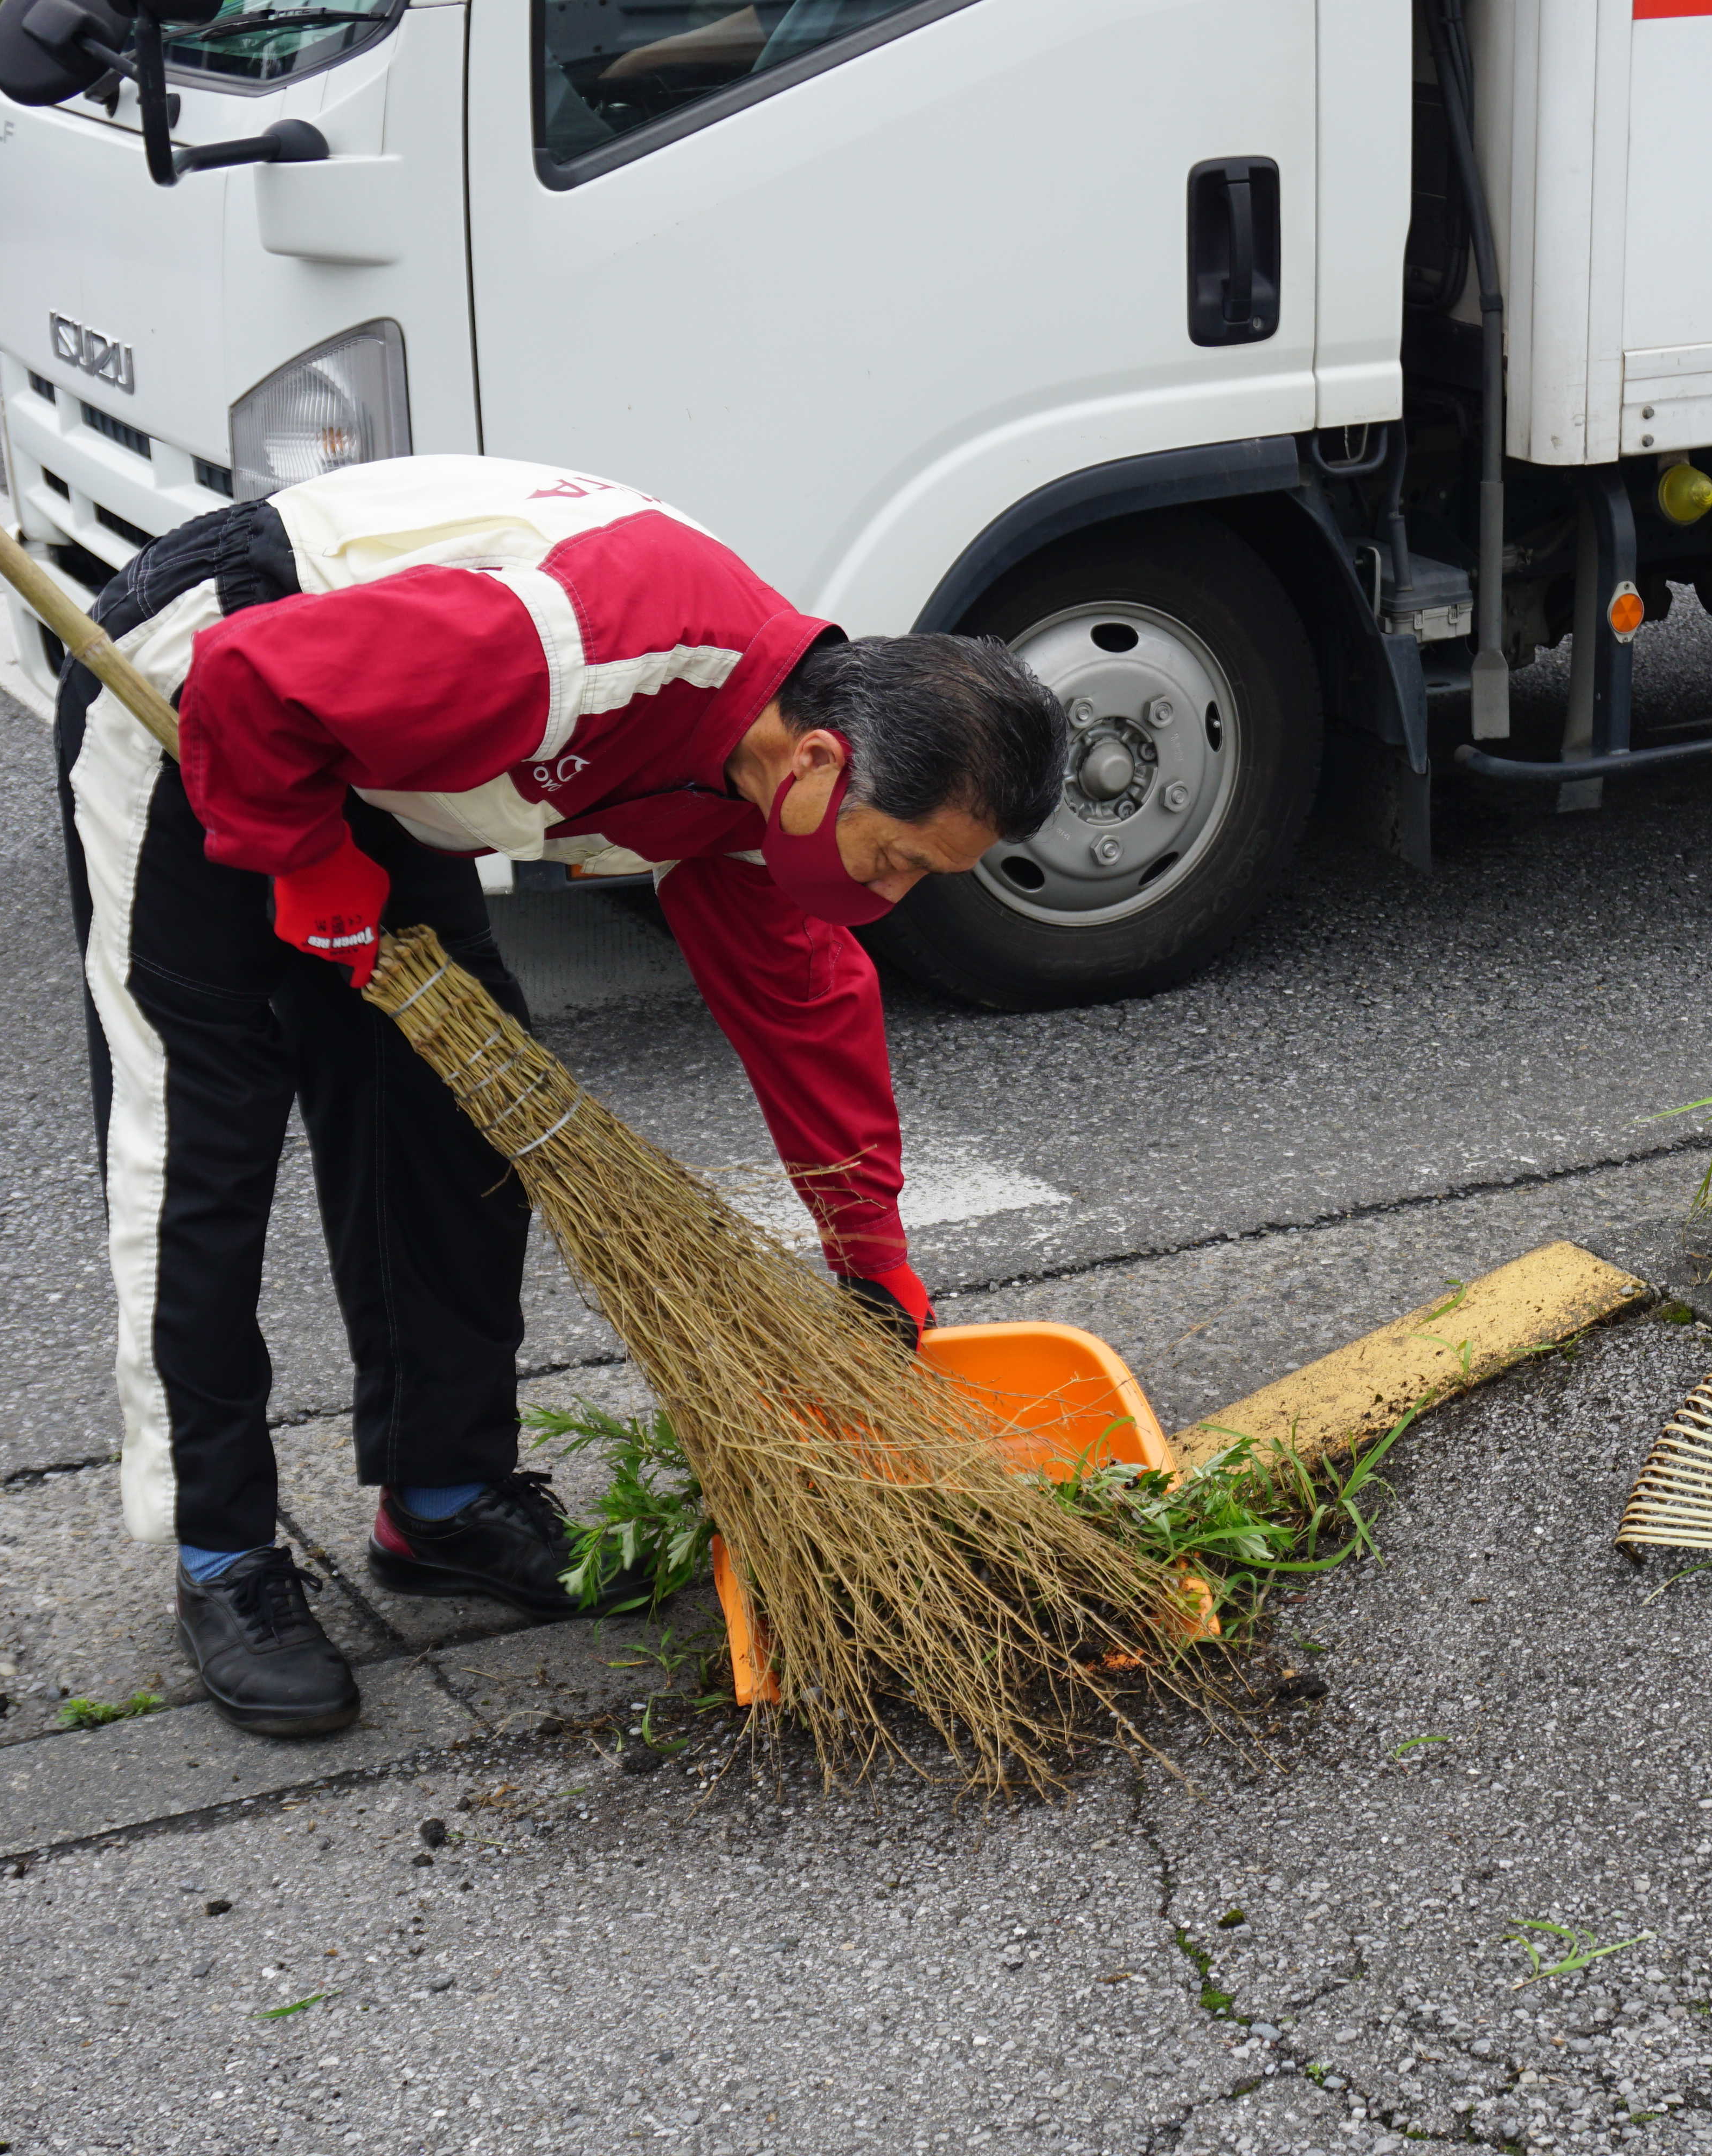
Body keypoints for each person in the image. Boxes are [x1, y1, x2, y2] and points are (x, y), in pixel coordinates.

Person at [52, 453, 1067, 1737]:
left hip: (369, 752)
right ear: (819, 761)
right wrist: (302, 859)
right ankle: (224, 1558)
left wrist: (870, 1257)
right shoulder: (587, 649)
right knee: (202, 1146)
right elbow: (263, 678)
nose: (895, 893)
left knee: (460, 1120)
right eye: (901, 859)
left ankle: (443, 1498)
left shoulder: (758, 780)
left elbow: (807, 1003)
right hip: (209, 683)